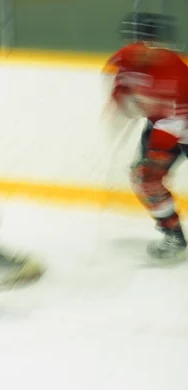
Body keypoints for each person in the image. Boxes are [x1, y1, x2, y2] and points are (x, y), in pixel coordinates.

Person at [103, 12, 188, 261]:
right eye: (139, 41)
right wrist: (119, 107)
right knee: (145, 179)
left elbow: (178, 117)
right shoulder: (124, 60)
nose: (144, 48)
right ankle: (174, 235)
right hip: (160, 125)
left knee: (148, 170)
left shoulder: (175, 69)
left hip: (178, 126)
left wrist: (157, 151)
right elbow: (121, 89)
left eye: (150, 43)